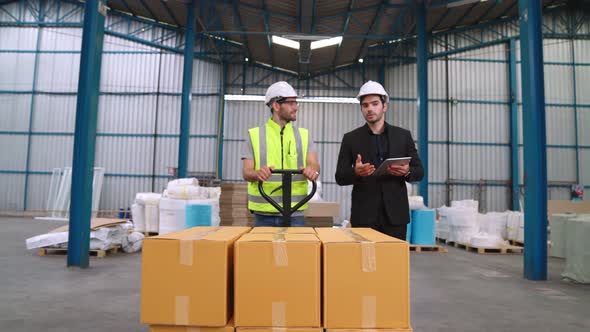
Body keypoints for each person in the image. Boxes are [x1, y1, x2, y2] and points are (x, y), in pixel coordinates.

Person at [335, 80, 424, 240]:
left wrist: (407, 171)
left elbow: (419, 172)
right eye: (365, 105)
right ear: (361, 108)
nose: (370, 109)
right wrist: (356, 172)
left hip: (395, 216)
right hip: (364, 216)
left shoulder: (403, 136)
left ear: (384, 106)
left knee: (393, 263)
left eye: (375, 104)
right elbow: (340, 176)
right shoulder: (351, 139)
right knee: (365, 263)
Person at [241, 81, 320, 227]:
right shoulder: (254, 135)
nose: (296, 107)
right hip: (263, 213)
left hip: (295, 211)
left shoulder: (304, 135)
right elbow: (246, 172)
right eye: (291, 103)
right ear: (276, 106)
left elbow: (314, 165)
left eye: (296, 103)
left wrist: (312, 171)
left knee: (294, 251)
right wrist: (258, 173)